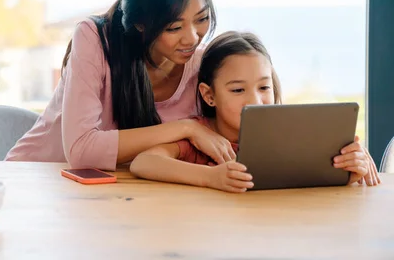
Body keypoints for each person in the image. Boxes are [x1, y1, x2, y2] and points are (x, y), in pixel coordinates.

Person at [6, 0, 236, 170]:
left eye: (202, 18)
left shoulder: (201, 64)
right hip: (32, 180)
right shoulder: (94, 40)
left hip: (114, 195)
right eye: (174, 27)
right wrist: (187, 128)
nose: (192, 38)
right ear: (140, 24)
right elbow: (81, 151)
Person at [129, 31, 381, 192]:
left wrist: (349, 172)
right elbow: (144, 162)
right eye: (238, 90)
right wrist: (210, 177)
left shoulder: (290, 136)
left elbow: (312, 183)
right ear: (209, 95)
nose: (255, 101)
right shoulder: (201, 136)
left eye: (264, 87)